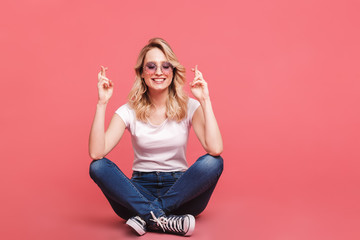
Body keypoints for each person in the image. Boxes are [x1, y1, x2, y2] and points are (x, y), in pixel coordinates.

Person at [88, 38, 223, 236]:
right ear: (142, 73)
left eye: (165, 66)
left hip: (182, 191)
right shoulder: (128, 111)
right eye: (151, 66)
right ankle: (164, 219)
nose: (159, 72)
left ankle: (147, 216)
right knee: (97, 166)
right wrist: (101, 103)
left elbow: (215, 148)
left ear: (173, 71)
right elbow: (96, 152)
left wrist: (205, 99)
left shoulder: (190, 107)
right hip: (138, 192)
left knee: (213, 162)